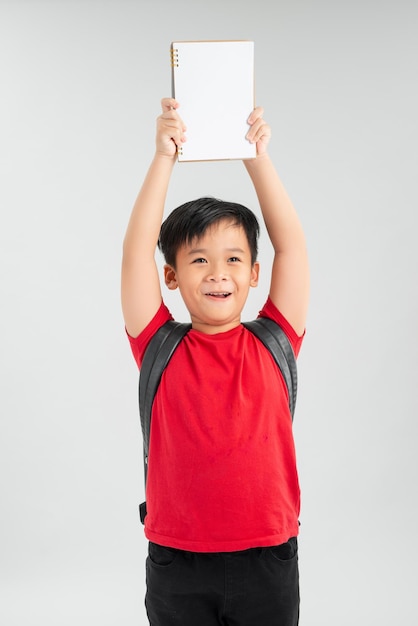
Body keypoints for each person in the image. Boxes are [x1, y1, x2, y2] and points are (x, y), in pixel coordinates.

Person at [121, 97, 309, 626]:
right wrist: (164, 159)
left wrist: (256, 157)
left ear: (254, 274)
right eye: (198, 260)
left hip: (268, 556)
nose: (217, 273)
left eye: (233, 259)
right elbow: (136, 253)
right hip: (176, 561)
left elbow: (291, 247)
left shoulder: (274, 340)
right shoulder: (159, 344)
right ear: (173, 277)